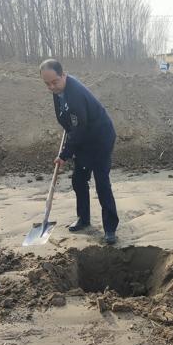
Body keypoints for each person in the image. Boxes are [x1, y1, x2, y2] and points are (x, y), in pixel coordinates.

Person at [39, 59, 119, 244]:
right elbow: (70, 123)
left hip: (100, 139)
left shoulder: (75, 94)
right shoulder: (58, 90)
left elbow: (79, 127)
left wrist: (64, 155)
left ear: (63, 75)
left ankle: (110, 229)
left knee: (102, 183)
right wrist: (69, 136)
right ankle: (83, 219)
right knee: (79, 179)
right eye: (47, 84)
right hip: (83, 139)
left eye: (54, 82)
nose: (51, 87)